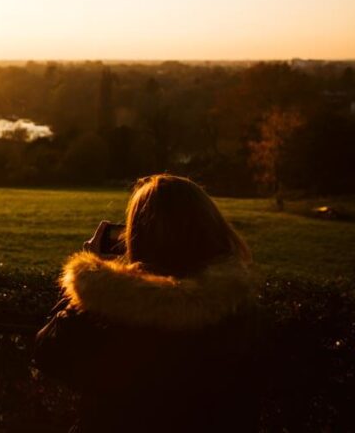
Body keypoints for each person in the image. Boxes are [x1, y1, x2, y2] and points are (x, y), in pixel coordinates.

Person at [35, 174, 258, 432]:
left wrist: (90, 286)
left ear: (138, 238)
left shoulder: (116, 306)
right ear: (212, 228)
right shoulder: (235, 303)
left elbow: (49, 354)